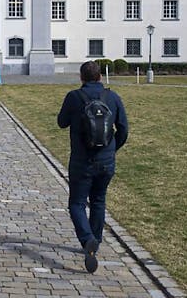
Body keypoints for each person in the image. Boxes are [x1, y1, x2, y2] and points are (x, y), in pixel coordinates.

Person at [57, 60, 129, 274]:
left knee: (77, 203)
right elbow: (123, 129)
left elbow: (61, 122)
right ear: (100, 77)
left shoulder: (74, 97)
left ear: (81, 77)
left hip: (82, 161)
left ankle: (88, 239)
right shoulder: (112, 97)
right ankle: (95, 240)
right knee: (98, 200)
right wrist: (112, 149)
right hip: (106, 161)